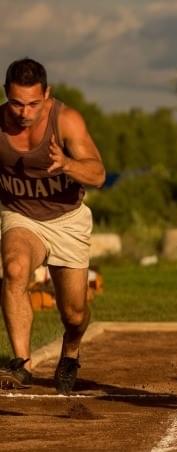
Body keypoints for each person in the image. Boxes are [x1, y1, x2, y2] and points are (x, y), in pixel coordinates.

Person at [0, 58, 105, 395]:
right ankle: (21, 364)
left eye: (32, 103)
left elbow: (99, 175)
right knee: (14, 269)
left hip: (67, 220)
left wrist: (68, 165)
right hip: (21, 216)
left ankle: (71, 353)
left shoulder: (66, 120)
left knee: (73, 314)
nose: (24, 112)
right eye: (16, 103)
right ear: (5, 95)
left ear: (47, 94)